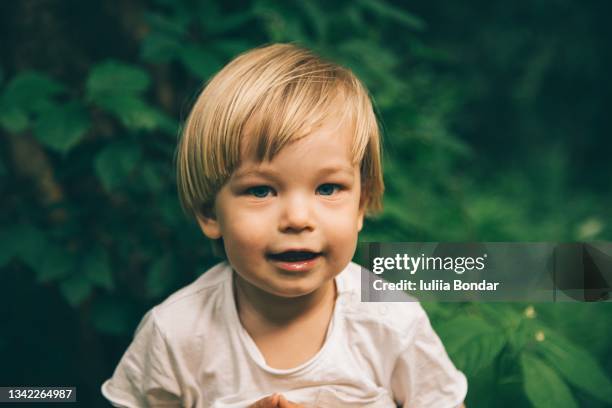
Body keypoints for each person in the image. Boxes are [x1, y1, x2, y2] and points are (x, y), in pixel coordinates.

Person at [101, 43, 467, 408]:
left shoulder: (390, 322)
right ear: (210, 213)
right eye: (261, 190)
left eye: (328, 188)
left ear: (361, 203)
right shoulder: (176, 335)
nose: (297, 219)